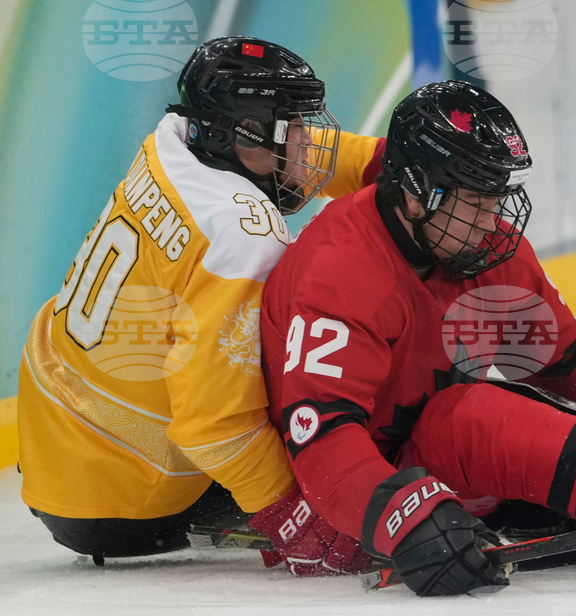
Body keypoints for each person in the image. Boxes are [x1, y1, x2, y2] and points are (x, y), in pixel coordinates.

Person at [259, 80, 576, 596]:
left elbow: (567, 360)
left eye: (499, 194)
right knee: (469, 416)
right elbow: (324, 443)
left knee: (569, 424)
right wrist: (403, 519)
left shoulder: (482, 242)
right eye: (476, 198)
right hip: (349, 506)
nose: (495, 218)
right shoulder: (339, 271)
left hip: (427, 468)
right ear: (417, 192)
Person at [17, 37, 382, 574]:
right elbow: (213, 422)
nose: (312, 146)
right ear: (246, 135)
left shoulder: (174, 144)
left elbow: (283, 159)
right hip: (125, 495)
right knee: (308, 351)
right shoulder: (242, 233)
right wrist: (287, 510)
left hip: (57, 440)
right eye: (296, 130)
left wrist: (396, 162)